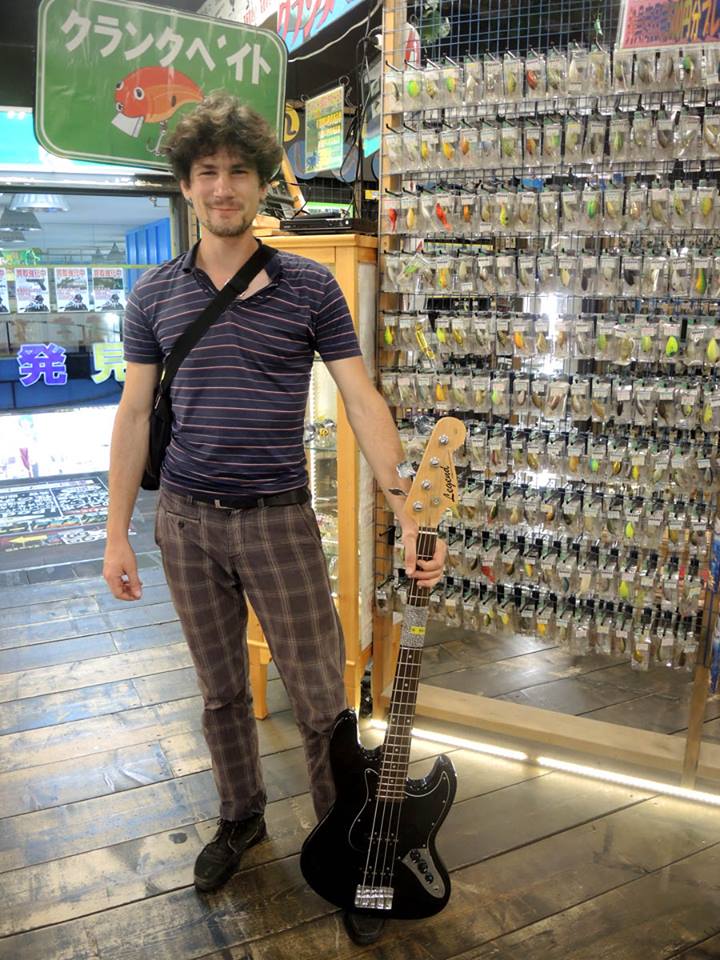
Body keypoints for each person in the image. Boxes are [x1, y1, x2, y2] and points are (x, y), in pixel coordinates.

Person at [102, 92, 446, 946]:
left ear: (261, 184)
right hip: (185, 523)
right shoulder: (154, 295)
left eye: (238, 172)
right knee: (220, 691)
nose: (223, 187)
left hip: (281, 520)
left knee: (322, 699)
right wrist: (116, 535)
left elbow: (361, 399)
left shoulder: (308, 286)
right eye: (206, 173)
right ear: (187, 185)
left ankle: (346, 845)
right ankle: (240, 815)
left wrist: (405, 508)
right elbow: (134, 415)